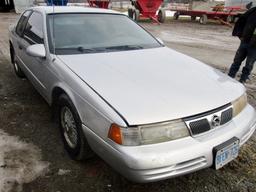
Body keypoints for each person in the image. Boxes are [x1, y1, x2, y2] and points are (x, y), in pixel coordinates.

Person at [228, 3, 256, 83]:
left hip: (255, 47)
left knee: (249, 64)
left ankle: (242, 80)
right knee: (237, 61)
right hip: (245, 41)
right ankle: (230, 77)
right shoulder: (253, 11)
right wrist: (240, 34)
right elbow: (241, 21)